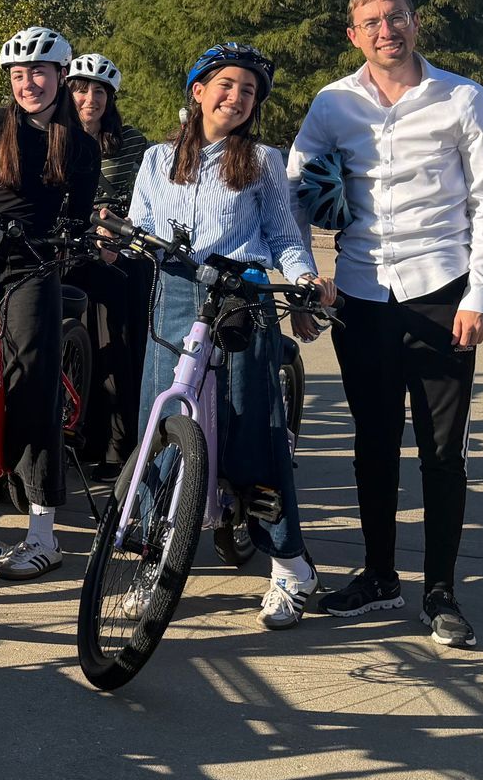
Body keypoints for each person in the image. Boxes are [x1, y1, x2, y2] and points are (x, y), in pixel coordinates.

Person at [288, 0, 483, 648]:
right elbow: (294, 196)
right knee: (373, 444)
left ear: (415, 25)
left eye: (398, 17)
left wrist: (480, 297)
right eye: (373, 22)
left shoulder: (461, 97)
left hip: (441, 294)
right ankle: (379, 575)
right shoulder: (332, 104)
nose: (387, 29)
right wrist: (306, 279)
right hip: (361, 294)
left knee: (442, 454)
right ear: (353, 35)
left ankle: (440, 592)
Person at [128, 42, 334, 629]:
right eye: (226, 85)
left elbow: (286, 236)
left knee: (253, 431)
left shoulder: (266, 162)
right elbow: (141, 224)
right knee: (158, 429)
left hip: (241, 298)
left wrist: (301, 278)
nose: (237, 97)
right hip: (173, 297)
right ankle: (147, 556)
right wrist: (119, 236)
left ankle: (290, 566)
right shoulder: (156, 158)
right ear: (198, 91)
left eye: (248, 91)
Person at [0, 26, 101, 580]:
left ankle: (42, 534)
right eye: (18, 75)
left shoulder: (79, 143)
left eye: (38, 73)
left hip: (35, 266)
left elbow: (78, 217)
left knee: (31, 388)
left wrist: (75, 238)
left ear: (62, 76)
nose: (28, 84)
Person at [65, 52, 153, 477]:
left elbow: (151, 198)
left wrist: (120, 229)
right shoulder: (54, 137)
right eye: (82, 89)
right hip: (70, 252)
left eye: (100, 91)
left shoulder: (132, 141)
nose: (91, 98)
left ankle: (118, 450)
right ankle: (74, 438)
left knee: (117, 351)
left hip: (121, 258)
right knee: (74, 352)